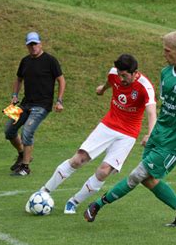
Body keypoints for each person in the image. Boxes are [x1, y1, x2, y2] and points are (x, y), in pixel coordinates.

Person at [84, 30, 176, 227]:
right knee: (148, 179)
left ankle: (98, 205)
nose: (164, 54)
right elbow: (165, 107)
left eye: (167, 51)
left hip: (174, 142)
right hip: (158, 136)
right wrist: (152, 133)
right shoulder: (166, 73)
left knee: (137, 175)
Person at [40, 54, 157, 214]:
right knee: (78, 159)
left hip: (128, 134)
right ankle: (44, 191)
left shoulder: (145, 86)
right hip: (108, 125)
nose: (121, 78)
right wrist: (103, 89)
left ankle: (73, 202)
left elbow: (151, 112)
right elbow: (111, 81)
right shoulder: (114, 74)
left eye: (125, 75)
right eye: (119, 74)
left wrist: (150, 133)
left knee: (103, 171)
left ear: (135, 73)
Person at [5, 31, 66, 176]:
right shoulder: (25, 61)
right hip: (25, 103)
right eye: (30, 45)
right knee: (8, 130)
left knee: (27, 131)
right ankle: (22, 154)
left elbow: (61, 80)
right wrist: (14, 96)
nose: (33, 47)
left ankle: (25, 167)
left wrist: (59, 101)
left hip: (42, 105)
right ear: (27, 46)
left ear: (40, 43)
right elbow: (19, 79)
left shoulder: (50, 60)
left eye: (35, 44)